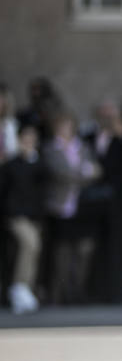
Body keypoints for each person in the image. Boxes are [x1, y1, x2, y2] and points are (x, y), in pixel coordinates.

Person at [43, 113, 102, 305]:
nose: (66, 130)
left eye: (68, 126)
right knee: (62, 252)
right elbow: (59, 173)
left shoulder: (82, 146)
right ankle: (58, 293)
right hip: (60, 206)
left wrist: (81, 174)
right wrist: (83, 174)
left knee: (83, 249)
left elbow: (97, 171)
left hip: (82, 207)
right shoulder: (51, 148)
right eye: (62, 126)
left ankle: (77, 290)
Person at [82, 98, 122, 304]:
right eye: (103, 114)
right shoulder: (88, 136)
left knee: (116, 247)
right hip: (92, 200)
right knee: (93, 246)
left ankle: (116, 292)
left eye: (111, 115)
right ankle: (94, 291)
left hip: (116, 201)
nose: (107, 118)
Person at [1, 123, 47, 313]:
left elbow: (43, 185)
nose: (28, 142)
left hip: (34, 215)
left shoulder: (40, 163)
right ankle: (19, 286)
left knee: (33, 250)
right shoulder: (12, 165)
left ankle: (25, 287)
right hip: (16, 215)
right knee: (31, 244)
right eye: (25, 138)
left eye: (32, 138)